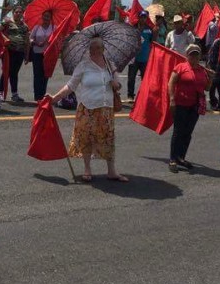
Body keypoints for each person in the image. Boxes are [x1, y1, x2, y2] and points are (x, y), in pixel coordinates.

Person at [51, 36, 127, 183]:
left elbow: (119, 85)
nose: (94, 50)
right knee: (86, 138)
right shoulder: (83, 65)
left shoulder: (110, 65)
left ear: (103, 49)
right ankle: (87, 169)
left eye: (98, 47)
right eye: (92, 47)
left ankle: (112, 171)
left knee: (108, 139)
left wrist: (115, 84)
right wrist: (54, 98)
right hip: (87, 107)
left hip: (106, 109)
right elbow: (71, 86)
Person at [167, 44, 210, 173]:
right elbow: (171, 83)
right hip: (181, 104)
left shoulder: (202, 70)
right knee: (178, 131)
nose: (194, 56)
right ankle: (173, 159)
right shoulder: (181, 67)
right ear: (187, 55)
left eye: (197, 54)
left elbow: (207, 88)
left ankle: (181, 157)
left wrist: (211, 79)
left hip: (195, 105)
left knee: (188, 133)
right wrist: (172, 99)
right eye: (192, 54)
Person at [0, 5, 29, 103]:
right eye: (16, 12)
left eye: (20, 12)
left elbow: (27, 41)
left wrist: (27, 55)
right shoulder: (7, 22)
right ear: (13, 13)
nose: (18, 14)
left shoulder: (25, 26)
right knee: (6, 72)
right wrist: (4, 24)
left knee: (14, 73)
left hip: (20, 52)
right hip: (8, 52)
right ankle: (0, 93)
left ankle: (14, 95)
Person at [127, 11, 153, 100]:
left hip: (145, 58)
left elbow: (152, 41)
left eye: (145, 17)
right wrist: (138, 31)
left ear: (147, 18)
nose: (143, 19)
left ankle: (143, 95)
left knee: (145, 79)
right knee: (131, 78)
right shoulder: (133, 27)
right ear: (139, 17)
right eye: (141, 17)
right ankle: (130, 95)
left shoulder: (150, 29)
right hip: (134, 58)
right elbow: (130, 39)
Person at [30, 10, 54, 101]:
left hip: (48, 54)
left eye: (48, 16)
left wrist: (50, 41)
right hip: (37, 54)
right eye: (44, 16)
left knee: (45, 75)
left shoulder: (54, 27)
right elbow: (31, 38)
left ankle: (43, 95)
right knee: (37, 75)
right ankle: (37, 96)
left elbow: (57, 40)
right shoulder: (37, 27)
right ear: (42, 17)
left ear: (51, 18)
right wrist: (34, 42)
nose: (46, 18)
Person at [207, 36, 220, 111]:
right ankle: (213, 103)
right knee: (212, 88)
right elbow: (211, 57)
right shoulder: (217, 42)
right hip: (215, 68)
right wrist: (211, 69)